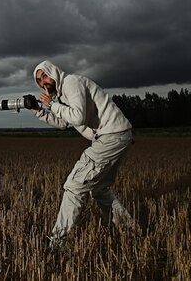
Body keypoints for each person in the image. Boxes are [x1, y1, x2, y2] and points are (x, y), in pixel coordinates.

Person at [30, 60, 135, 252]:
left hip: (110, 135)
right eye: (38, 80)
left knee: (74, 185)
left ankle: (57, 243)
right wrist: (39, 111)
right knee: (100, 189)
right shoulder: (62, 94)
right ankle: (131, 232)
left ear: (54, 72)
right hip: (117, 135)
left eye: (45, 75)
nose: (43, 82)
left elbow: (77, 116)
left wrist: (52, 104)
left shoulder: (71, 82)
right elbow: (64, 123)